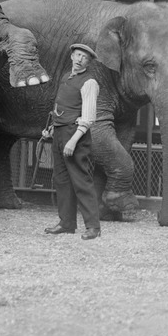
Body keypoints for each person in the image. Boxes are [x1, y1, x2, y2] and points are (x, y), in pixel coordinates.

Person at [43, 37, 101, 240]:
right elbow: (61, 109)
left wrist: (73, 140)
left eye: (84, 57)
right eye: (78, 55)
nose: (80, 59)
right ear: (71, 56)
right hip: (60, 133)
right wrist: (51, 129)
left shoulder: (90, 82)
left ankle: (93, 227)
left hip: (75, 137)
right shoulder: (66, 77)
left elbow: (88, 118)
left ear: (88, 62)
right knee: (61, 181)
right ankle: (66, 223)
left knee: (81, 181)